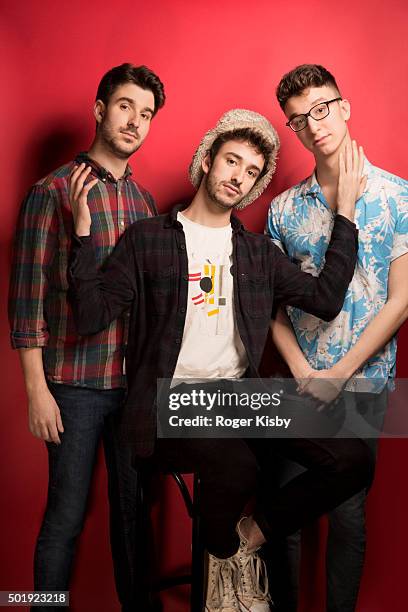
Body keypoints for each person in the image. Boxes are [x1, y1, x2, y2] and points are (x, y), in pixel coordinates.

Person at [67, 108, 374, 612]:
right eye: (231, 161)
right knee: (238, 465)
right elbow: (91, 316)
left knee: (353, 457)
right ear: (208, 161)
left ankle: (243, 543)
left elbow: (325, 298)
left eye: (251, 171)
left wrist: (346, 215)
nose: (238, 177)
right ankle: (228, 568)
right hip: (170, 404)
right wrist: (82, 236)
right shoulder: (148, 240)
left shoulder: (256, 254)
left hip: (236, 397)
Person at [8, 62, 165, 611]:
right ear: (99, 110)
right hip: (72, 387)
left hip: (130, 390)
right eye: (126, 106)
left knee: (131, 517)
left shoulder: (145, 205)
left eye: (146, 114)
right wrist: (36, 391)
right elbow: (27, 300)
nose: (135, 121)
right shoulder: (49, 193)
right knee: (66, 517)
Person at [266, 64, 408, 612]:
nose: (313, 124)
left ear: (344, 107)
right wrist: (305, 372)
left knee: (348, 513)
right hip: (299, 381)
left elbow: (400, 300)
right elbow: (271, 307)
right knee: (288, 511)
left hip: (362, 383)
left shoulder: (398, 197)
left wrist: (340, 374)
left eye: (321, 109)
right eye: (300, 119)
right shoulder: (283, 209)